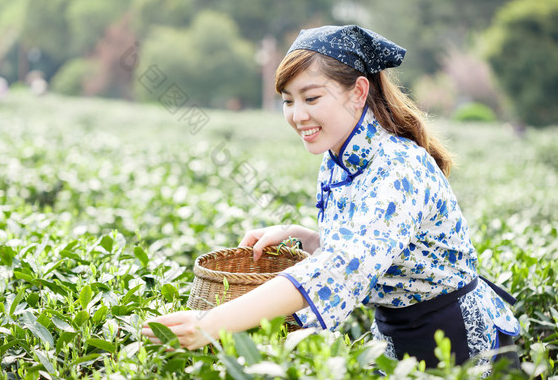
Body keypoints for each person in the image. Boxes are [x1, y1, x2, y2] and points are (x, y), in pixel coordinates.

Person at [142, 25, 520, 370]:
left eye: (311, 97)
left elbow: (340, 267)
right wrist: (301, 235)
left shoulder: (397, 167)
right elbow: (374, 247)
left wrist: (210, 324)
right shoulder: (337, 157)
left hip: (457, 343)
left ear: (358, 92)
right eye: (288, 101)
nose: (297, 115)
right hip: (395, 337)